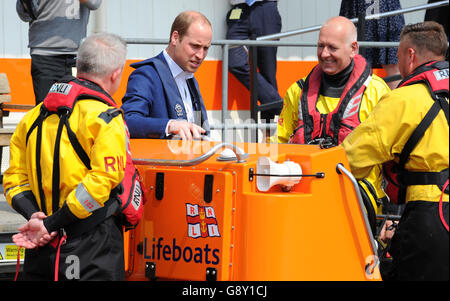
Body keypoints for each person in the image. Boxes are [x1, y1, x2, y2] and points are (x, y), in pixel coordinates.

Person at [4, 32, 128, 280]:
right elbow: (100, 184)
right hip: (92, 247)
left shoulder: (32, 117)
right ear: (116, 74)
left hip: (40, 244)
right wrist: (50, 224)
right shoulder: (106, 119)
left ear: (78, 65)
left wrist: (35, 217)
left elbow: (13, 180)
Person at [342, 21, 449, 281]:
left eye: (399, 55)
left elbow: (350, 158)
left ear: (410, 56)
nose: (399, 63)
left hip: (430, 217)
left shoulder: (403, 99)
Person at [272, 17, 391, 228]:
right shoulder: (297, 92)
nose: (324, 53)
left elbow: (393, 155)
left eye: (332, 47)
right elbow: (278, 144)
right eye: (320, 46)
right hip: (305, 202)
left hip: (358, 207)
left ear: (353, 48)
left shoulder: (377, 92)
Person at [121, 11, 211, 141]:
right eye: (195, 46)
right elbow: (128, 121)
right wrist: (169, 126)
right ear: (175, 38)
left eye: (206, 48)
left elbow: (199, 125)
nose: (200, 55)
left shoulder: (189, 78)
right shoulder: (147, 74)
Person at [16, 0, 102, 105]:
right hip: (44, 54)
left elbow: (94, 4)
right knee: (46, 109)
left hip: (76, 55)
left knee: (77, 107)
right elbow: (25, 15)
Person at [226, 0, 283, 122]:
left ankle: (267, 133)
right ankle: (280, 106)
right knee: (235, 63)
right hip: (238, 9)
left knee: (267, 71)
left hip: (265, 8)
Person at [340, 0, 405, 90]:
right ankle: (359, 101)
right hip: (359, 5)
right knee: (356, 62)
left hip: (383, 5)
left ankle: (396, 102)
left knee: (393, 63)